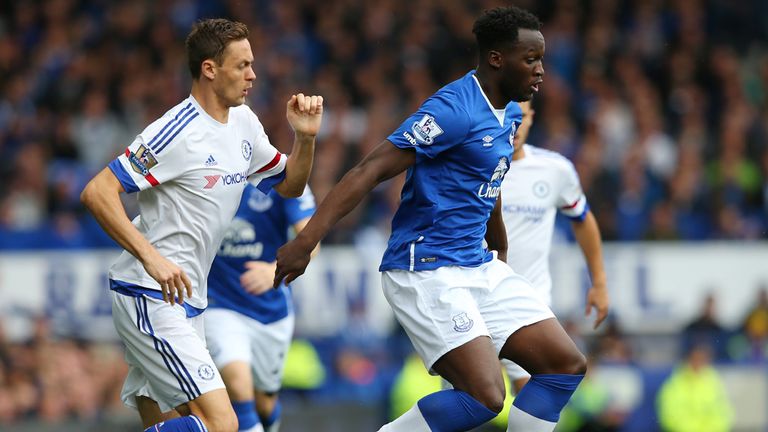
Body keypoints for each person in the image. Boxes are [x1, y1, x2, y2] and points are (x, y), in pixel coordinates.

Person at [275, 7, 586, 432]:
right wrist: (305, 241)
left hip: (476, 264)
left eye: (542, 59)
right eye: (530, 59)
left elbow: (488, 179)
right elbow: (369, 169)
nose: (541, 70)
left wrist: (502, 248)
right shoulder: (453, 110)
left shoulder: (510, 112)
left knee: (564, 365)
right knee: (485, 396)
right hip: (425, 268)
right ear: (497, 58)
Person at [80, 18, 323, 432]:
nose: (253, 75)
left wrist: (304, 139)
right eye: (242, 65)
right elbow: (97, 192)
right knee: (221, 423)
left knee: (169, 419)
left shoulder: (244, 122)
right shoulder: (175, 131)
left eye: (252, 64)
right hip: (149, 293)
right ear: (209, 69)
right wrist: (152, 258)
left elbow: (289, 186)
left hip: (188, 298)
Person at [499, 101, 609, 393]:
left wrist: (599, 282)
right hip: (474, 296)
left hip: (527, 302)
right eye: (505, 116)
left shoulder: (554, 170)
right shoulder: (470, 166)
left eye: (520, 117)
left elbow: (583, 220)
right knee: (475, 397)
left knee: (534, 390)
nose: (514, 125)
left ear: (532, 118)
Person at [204, 183, 318, 432]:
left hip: (271, 310)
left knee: (264, 403)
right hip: (219, 304)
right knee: (237, 384)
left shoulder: (284, 174)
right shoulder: (208, 170)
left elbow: (311, 239)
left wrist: (273, 271)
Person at [656, 344, 733, 432]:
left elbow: (723, 414)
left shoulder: (713, 382)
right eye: (695, 359)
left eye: (702, 359)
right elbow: (670, 418)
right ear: (687, 360)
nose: (698, 363)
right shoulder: (674, 385)